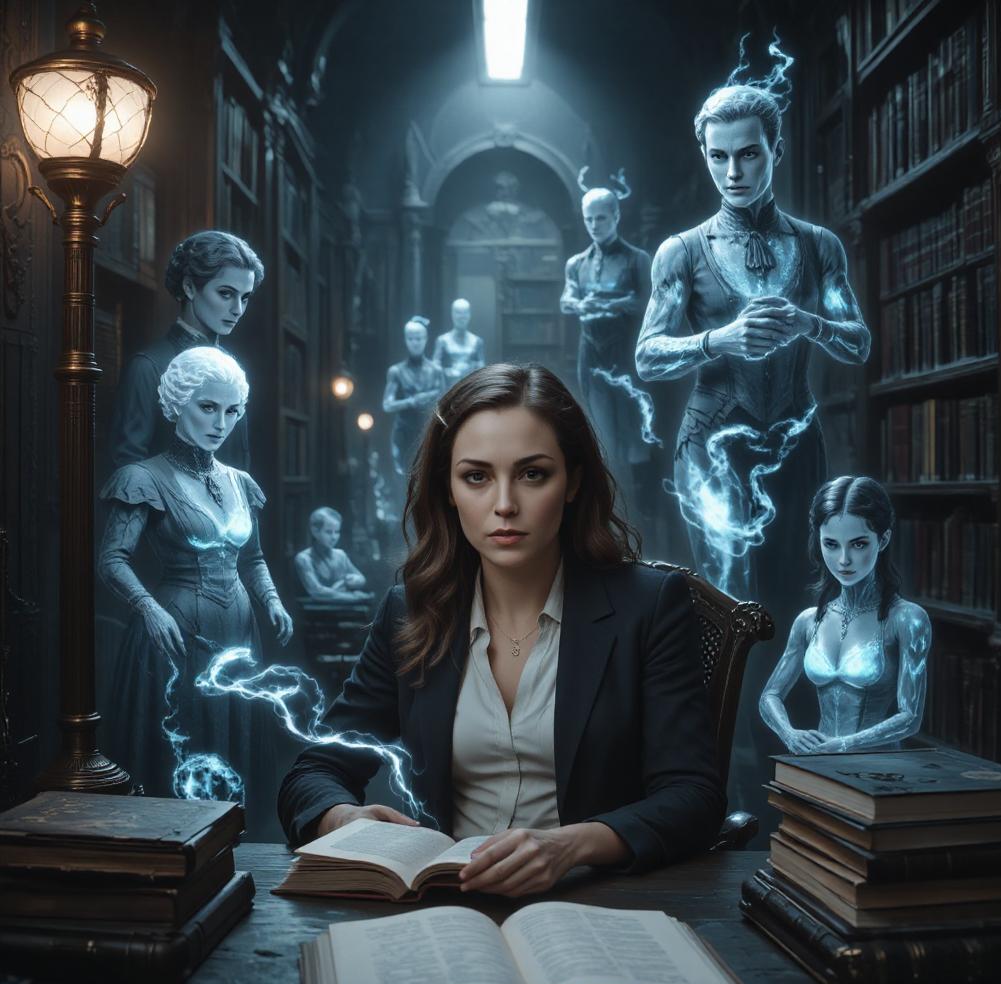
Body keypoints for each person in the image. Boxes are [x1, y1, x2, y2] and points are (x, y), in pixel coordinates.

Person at [279, 363, 725, 896]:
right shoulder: (411, 614)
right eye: (477, 476)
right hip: (447, 905)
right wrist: (340, 820)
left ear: (574, 482)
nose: (505, 504)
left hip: (596, 900)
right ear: (447, 488)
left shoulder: (648, 607)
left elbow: (693, 796)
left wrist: (572, 845)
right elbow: (313, 771)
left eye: (533, 474)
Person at [635, 45, 870, 603]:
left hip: (797, 441)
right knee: (732, 604)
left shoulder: (818, 245)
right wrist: (720, 339)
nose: (733, 172)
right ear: (705, 155)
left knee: (804, 597)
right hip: (713, 442)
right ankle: (723, 696)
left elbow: (858, 344)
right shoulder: (682, 252)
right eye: (718, 157)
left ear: (776, 150)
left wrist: (808, 322)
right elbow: (647, 356)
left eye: (748, 155)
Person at [98, 347, 292, 834]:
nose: (220, 422)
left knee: (236, 747)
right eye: (208, 407)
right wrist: (147, 607)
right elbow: (111, 559)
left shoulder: (240, 482)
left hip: (241, 634)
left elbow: (254, 558)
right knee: (178, 751)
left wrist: (271, 599)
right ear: (177, 402)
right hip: (174, 635)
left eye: (231, 410)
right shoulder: (143, 478)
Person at [759, 476, 931, 753]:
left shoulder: (906, 619)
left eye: (858, 544)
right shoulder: (808, 620)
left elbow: (910, 718)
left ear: (883, 539)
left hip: (879, 772)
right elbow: (770, 695)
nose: (843, 560)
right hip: (820, 765)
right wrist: (790, 734)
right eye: (831, 544)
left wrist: (843, 744)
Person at [109, 230, 264, 470]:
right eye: (226, 294)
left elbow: (239, 462)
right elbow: (128, 469)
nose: (238, 309)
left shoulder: (232, 368)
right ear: (190, 287)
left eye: (245, 298)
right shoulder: (148, 366)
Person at [561, 175, 654, 528]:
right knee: (602, 434)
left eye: (601, 218)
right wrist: (585, 303)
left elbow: (646, 302)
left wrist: (608, 303)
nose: (595, 225)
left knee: (634, 431)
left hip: (627, 354)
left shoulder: (636, 259)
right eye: (589, 219)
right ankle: (608, 512)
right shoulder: (577, 263)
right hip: (592, 355)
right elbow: (567, 299)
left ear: (616, 216)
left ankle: (641, 514)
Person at [381, 316, 445, 477]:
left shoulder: (436, 371)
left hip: (428, 432)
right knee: (404, 480)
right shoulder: (396, 371)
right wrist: (412, 401)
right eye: (411, 339)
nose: (415, 343)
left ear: (425, 339)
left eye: (419, 338)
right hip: (404, 433)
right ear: (405, 340)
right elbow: (387, 404)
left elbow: (445, 404)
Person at [294, 507, 372, 603]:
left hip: (346, 610)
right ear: (315, 531)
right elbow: (316, 591)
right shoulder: (304, 558)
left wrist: (351, 580)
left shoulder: (341, 555)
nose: (334, 537)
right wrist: (353, 597)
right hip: (316, 613)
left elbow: (361, 579)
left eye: (337, 532)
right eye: (329, 532)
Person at [432, 298, 485, 389]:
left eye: (465, 313)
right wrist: (446, 372)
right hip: (448, 388)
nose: (461, 317)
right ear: (452, 314)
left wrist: (472, 370)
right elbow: (435, 365)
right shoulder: (442, 340)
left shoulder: (477, 341)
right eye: (458, 312)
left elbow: (482, 367)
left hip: (470, 388)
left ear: (469, 315)